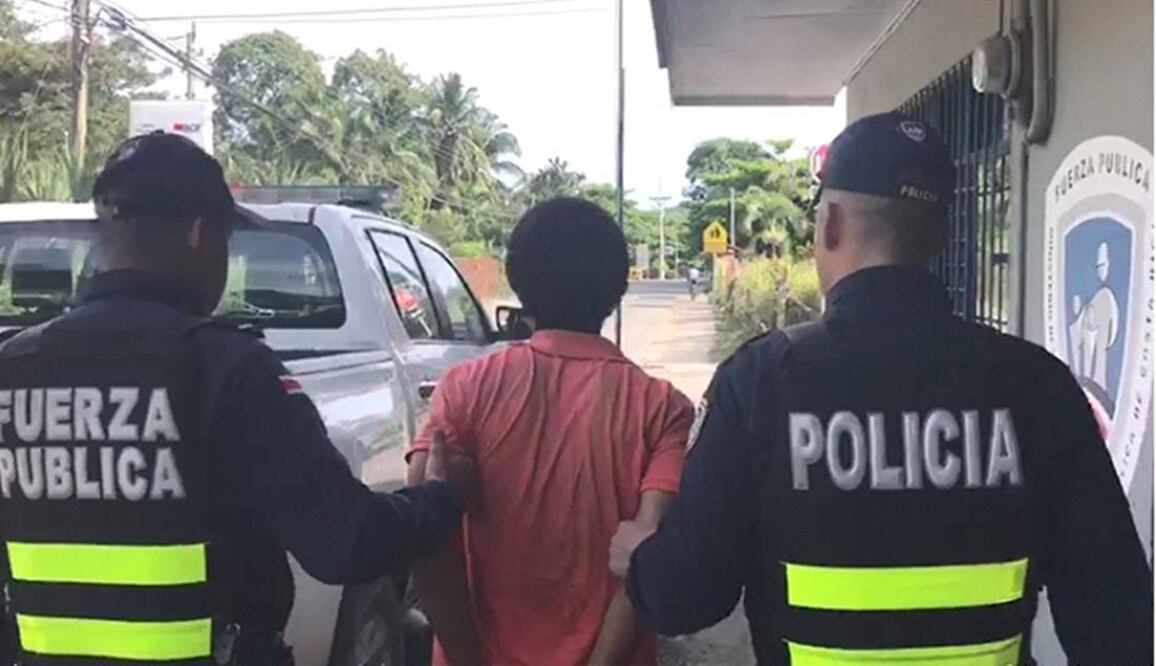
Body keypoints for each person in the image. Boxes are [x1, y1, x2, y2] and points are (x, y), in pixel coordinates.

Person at [610, 112, 1153, 665]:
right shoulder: (1038, 386)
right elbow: (1117, 622)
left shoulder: (761, 383)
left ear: (831, 226)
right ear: (939, 238)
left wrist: (640, 557)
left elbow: (686, 599)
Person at [0, 132, 466, 664]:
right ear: (201, 234)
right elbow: (346, 541)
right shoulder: (227, 368)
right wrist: (441, 498)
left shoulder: (15, 367)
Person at [406, 197, 694, 665]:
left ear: (517, 284)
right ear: (618, 289)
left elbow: (424, 541)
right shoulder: (661, 408)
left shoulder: (464, 390)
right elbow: (646, 556)